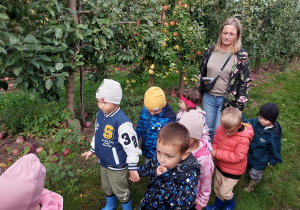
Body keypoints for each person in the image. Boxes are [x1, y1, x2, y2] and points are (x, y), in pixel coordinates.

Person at [82, 79, 141, 210]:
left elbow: (132, 147)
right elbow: (97, 134)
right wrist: (92, 149)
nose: (100, 105)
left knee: (120, 188)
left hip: (117, 164)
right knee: (107, 186)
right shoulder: (100, 115)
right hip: (104, 160)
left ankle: (127, 207)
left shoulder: (122, 122)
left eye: (103, 102)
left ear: (115, 102)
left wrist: (132, 168)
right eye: (98, 101)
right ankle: (111, 204)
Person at [198, 17, 251, 140]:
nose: (227, 37)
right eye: (225, 33)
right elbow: (203, 72)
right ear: (221, 33)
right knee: (208, 129)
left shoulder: (241, 56)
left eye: (231, 34)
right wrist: (198, 91)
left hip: (226, 100)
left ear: (237, 36)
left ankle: (219, 155)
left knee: (219, 129)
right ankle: (209, 156)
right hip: (209, 97)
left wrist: (239, 107)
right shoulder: (211, 50)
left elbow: (245, 82)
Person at [130, 122, 200, 209]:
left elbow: (183, 203)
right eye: (158, 151)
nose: (161, 159)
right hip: (151, 201)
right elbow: (150, 167)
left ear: (184, 155)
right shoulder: (161, 157)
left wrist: (164, 181)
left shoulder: (189, 172)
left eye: (169, 156)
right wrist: (138, 172)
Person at [208, 107, 254, 210]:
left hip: (234, 171)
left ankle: (231, 202)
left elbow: (238, 157)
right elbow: (215, 142)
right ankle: (217, 205)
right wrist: (213, 152)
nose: (227, 133)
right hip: (220, 166)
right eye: (225, 130)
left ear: (239, 125)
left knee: (224, 192)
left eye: (231, 131)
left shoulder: (243, 138)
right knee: (217, 187)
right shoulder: (221, 128)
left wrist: (217, 153)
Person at [179, 110, 214, 210]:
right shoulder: (183, 146)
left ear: (196, 137)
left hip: (192, 199)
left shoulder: (205, 161)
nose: (180, 139)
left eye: (185, 137)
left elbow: (206, 184)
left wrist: (200, 204)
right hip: (178, 193)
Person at [243, 103, 282, 192]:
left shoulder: (273, 135)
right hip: (250, 152)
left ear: (272, 120)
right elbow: (247, 124)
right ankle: (248, 171)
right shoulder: (256, 122)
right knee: (248, 165)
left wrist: (273, 160)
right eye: (260, 117)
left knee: (255, 173)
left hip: (261, 159)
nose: (261, 121)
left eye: (265, 119)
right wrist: (239, 115)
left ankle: (253, 183)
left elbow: (276, 148)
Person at [135, 86, 176, 164]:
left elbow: (171, 138)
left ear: (162, 105)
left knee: (158, 172)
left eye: (155, 111)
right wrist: (135, 137)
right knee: (147, 165)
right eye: (149, 110)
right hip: (146, 148)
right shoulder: (145, 111)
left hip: (159, 153)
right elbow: (141, 124)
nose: (152, 113)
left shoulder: (168, 118)